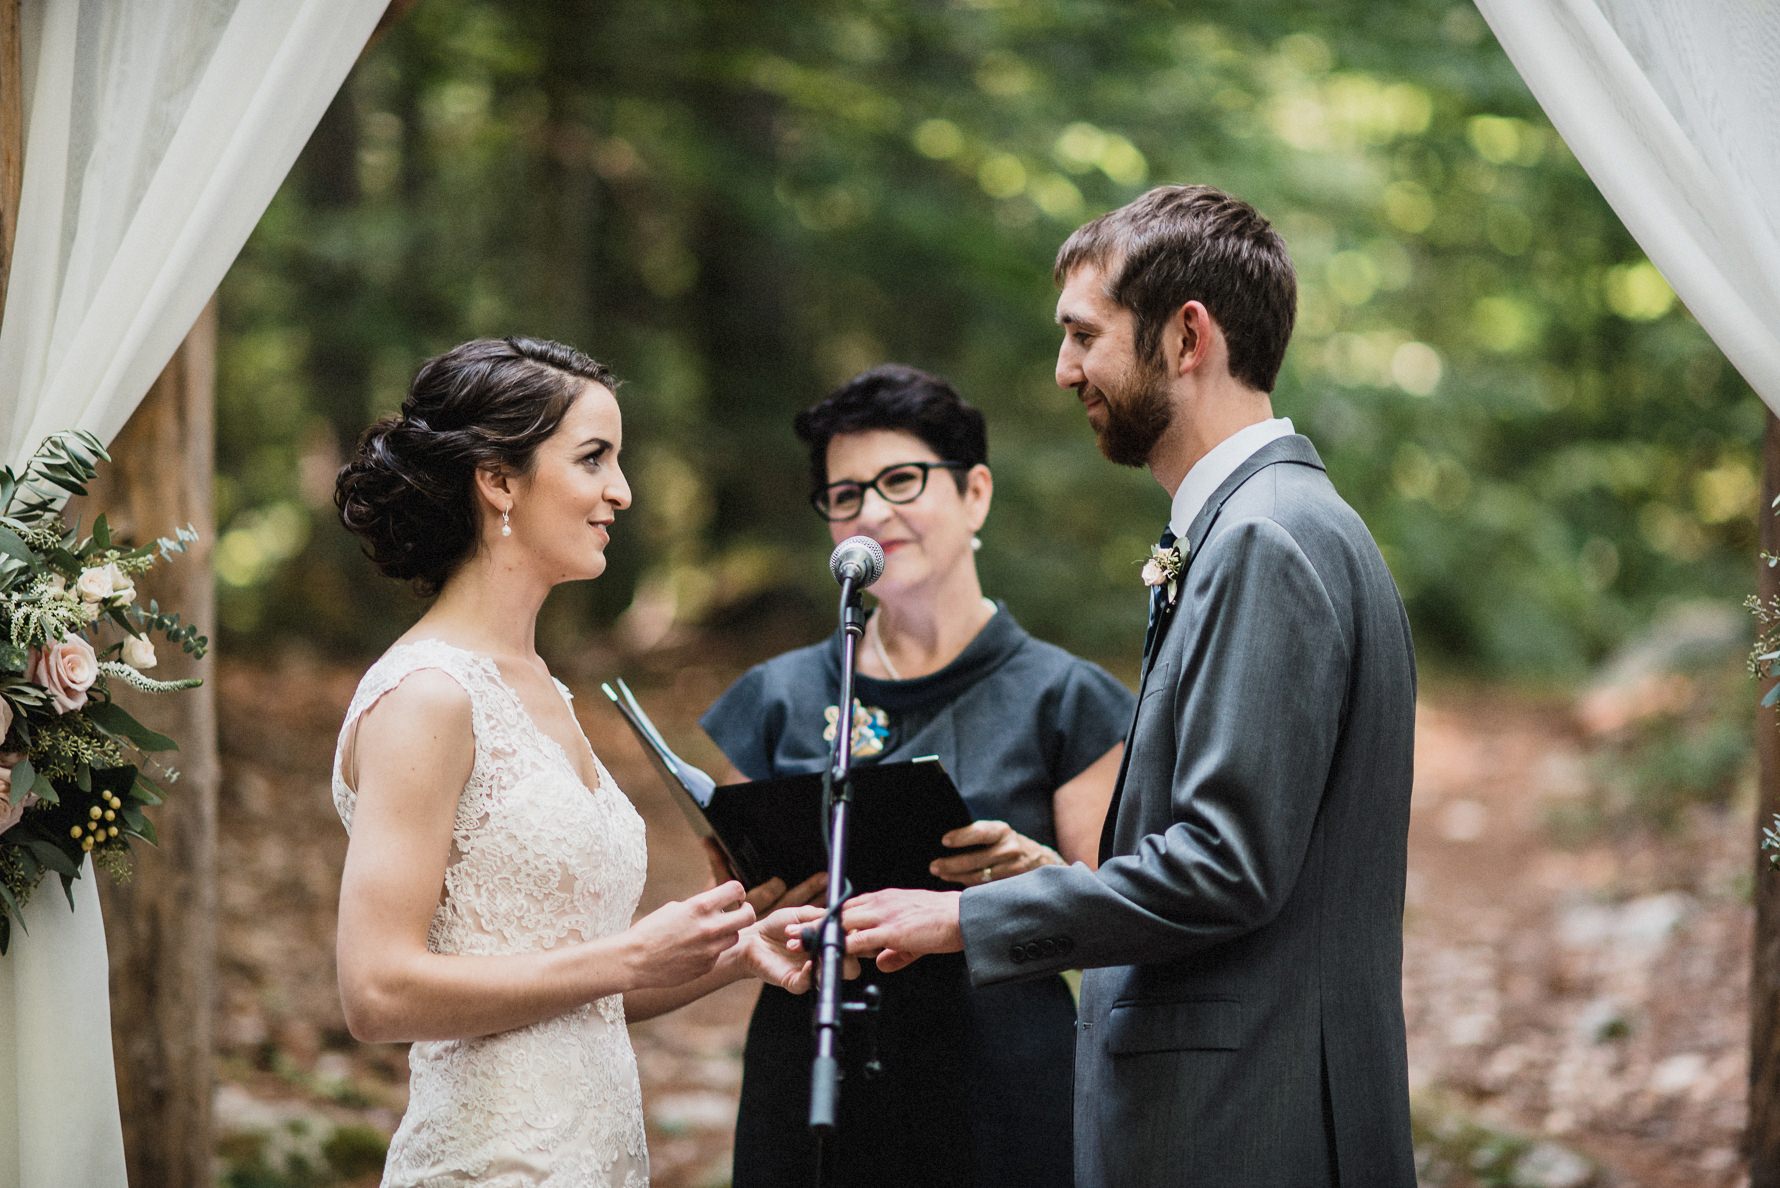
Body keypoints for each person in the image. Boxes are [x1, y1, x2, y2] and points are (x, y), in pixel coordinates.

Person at [835, 186, 1419, 1186]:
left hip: (1239, 1127)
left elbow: (1225, 864)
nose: (1063, 372)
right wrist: (1039, 880)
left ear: (1186, 336)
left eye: (1083, 335)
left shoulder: (1262, 540)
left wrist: (961, 921)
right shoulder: (1271, 520)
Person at [329, 336, 815, 1186]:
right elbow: (376, 992)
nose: (620, 493)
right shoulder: (428, 694)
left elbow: (570, 996)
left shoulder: (544, 688)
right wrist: (625, 957)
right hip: (489, 1164)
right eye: (594, 459)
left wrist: (728, 952)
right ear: (499, 480)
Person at [700, 364, 1135, 1187]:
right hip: (813, 1061)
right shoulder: (774, 697)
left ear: (975, 493)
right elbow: (734, 913)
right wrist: (758, 913)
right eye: (845, 494)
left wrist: (1040, 875)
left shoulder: (1066, 698)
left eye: (901, 480)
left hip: (1002, 1074)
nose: (872, 512)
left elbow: (1121, 920)